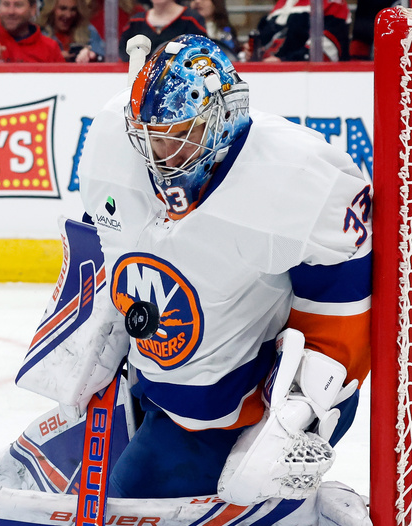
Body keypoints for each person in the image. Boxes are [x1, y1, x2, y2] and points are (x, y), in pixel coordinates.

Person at [69, 34, 371, 499]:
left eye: (179, 138)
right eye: (150, 139)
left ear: (224, 120)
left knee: (130, 507)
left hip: (241, 401)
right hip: (151, 376)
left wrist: (294, 416)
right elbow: (107, 241)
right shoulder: (115, 136)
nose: (159, 157)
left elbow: (339, 317)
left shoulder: (299, 180)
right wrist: (99, 329)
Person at [251, 0, 350, 62]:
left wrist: (283, 61)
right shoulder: (282, 3)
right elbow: (268, 42)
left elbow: (326, 49)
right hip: (272, 77)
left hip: (310, 80)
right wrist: (253, 52)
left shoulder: (331, 3)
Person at [119, 0, 206, 61]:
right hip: (140, 78)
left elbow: (203, 52)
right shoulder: (136, 21)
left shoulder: (191, 19)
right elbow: (123, 55)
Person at [37, 0, 103, 63]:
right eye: (63, 8)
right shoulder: (38, 34)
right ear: (51, 9)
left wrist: (92, 54)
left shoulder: (88, 31)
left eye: (73, 9)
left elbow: (105, 57)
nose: (68, 15)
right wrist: (55, 58)